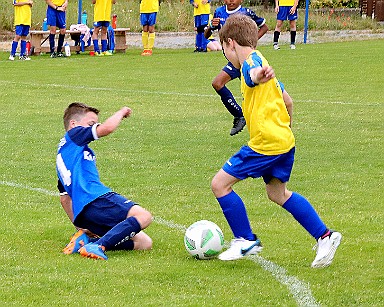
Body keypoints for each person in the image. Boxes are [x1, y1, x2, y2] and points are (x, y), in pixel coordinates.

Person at [212, 14, 342, 268]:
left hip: (265, 145)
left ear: (230, 43)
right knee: (277, 193)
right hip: (283, 141)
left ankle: (245, 239)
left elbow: (251, 75)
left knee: (220, 185)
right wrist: (286, 127)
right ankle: (325, 236)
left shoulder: (251, 63)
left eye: (225, 51)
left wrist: (257, 77)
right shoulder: (262, 60)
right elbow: (288, 100)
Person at [56, 103, 153, 260]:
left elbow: (65, 198)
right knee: (144, 216)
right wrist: (121, 112)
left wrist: (80, 227)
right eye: (91, 124)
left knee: (144, 243)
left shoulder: (64, 155)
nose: (95, 127)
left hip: (86, 212)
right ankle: (98, 246)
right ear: (73, 124)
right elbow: (107, 129)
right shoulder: (74, 136)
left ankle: (86, 242)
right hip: (96, 199)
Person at [204, 0, 268, 136]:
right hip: (234, 61)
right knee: (220, 84)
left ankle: (252, 120)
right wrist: (210, 26)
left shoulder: (246, 13)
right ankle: (241, 116)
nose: (231, 0)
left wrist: (250, 44)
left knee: (253, 93)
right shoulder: (219, 12)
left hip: (243, 60)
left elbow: (264, 27)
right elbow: (206, 36)